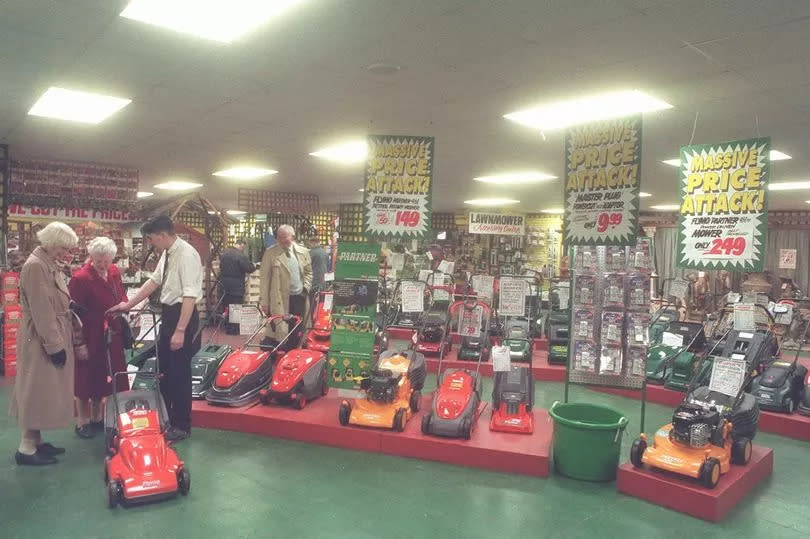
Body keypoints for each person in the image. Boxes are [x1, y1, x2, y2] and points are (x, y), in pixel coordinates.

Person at [108, 215, 202, 442]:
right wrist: (128, 304)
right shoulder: (168, 253)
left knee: (179, 374)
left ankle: (182, 425)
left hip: (183, 316)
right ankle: (169, 418)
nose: (151, 243)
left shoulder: (187, 255)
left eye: (151, 239)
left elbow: (189, 295)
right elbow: (154, 281)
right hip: (170, 315)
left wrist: (180, 330)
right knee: (166, 372)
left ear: (162, 235)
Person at [10, 222, 79, 465]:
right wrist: (55, 346)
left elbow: (52, 300)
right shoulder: (36, 267)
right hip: (40, 338)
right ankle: (26, 448)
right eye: (63, 247)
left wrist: (69, 306)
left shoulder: (47, 264)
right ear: (51, 243)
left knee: (42, 390)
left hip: (49, 333)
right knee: (35, 389)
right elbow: (42, 311)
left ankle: (36, 440)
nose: (66, 254)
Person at [68, 237, 129, 439]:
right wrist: (79, 343)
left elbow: (121, 296)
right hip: (89, 335)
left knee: (104, 377)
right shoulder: (80, 278)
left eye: (106, 260)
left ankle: (97, 418)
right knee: (85, 378)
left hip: (112, 333)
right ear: (91, 257)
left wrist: (124, 305)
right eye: (98, 260)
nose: (102, 264)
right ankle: (82, 422)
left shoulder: (114, 272)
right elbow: (73, 314)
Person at [260, 224, 312, 345]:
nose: (282, 240)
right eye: (279, 237)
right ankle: (281, 353)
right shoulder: (270, 253)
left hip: (299, 296)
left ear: (292, 237)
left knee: (298, 326)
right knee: (280, 327)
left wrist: (306, 288)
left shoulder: (303, 252)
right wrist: (264, 302)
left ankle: (295, 351)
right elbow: (264, 279)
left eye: (284, 237)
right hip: (280, 298)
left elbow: (309, 272)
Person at [219, 238, 255, 307]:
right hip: (236, 289)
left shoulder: (225, 254)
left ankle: (226, 318)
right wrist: (255, 266)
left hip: (224, 287)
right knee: (236, 309)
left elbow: (221, 267)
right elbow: (250, 268)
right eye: (243, 247)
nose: (243, 249)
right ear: (241, 245)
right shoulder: (240, 255)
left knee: (226, 308)